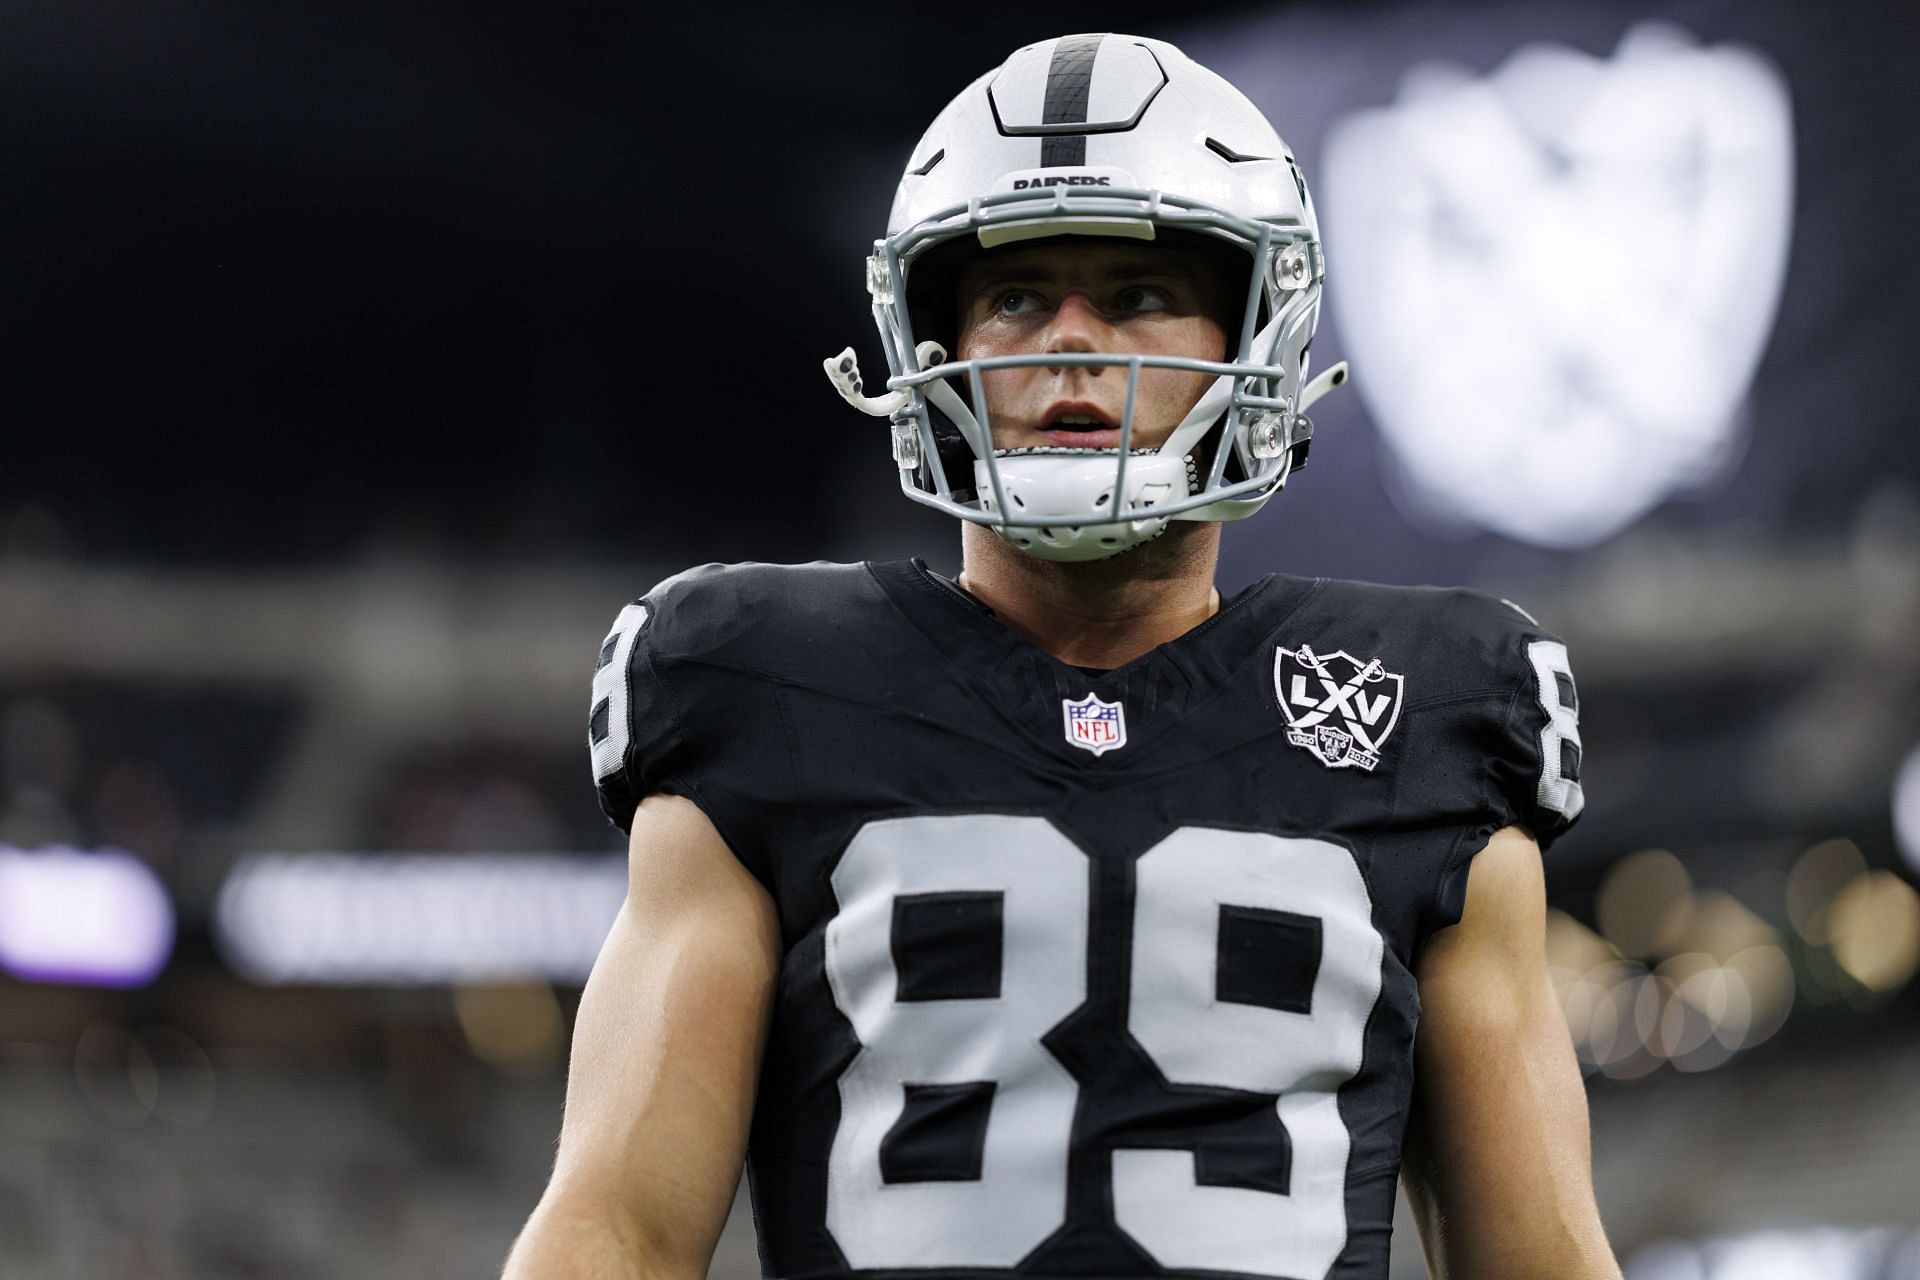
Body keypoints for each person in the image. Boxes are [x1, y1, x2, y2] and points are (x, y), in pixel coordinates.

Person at [505, 33, 1620, 1280]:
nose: (1068, 342)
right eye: (1016, 296)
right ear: (935, 344)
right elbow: (618, 1226)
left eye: (1138, 294)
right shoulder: (762, 687)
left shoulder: (1429, 712)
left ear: (1259, 333)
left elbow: (1540, 1255)